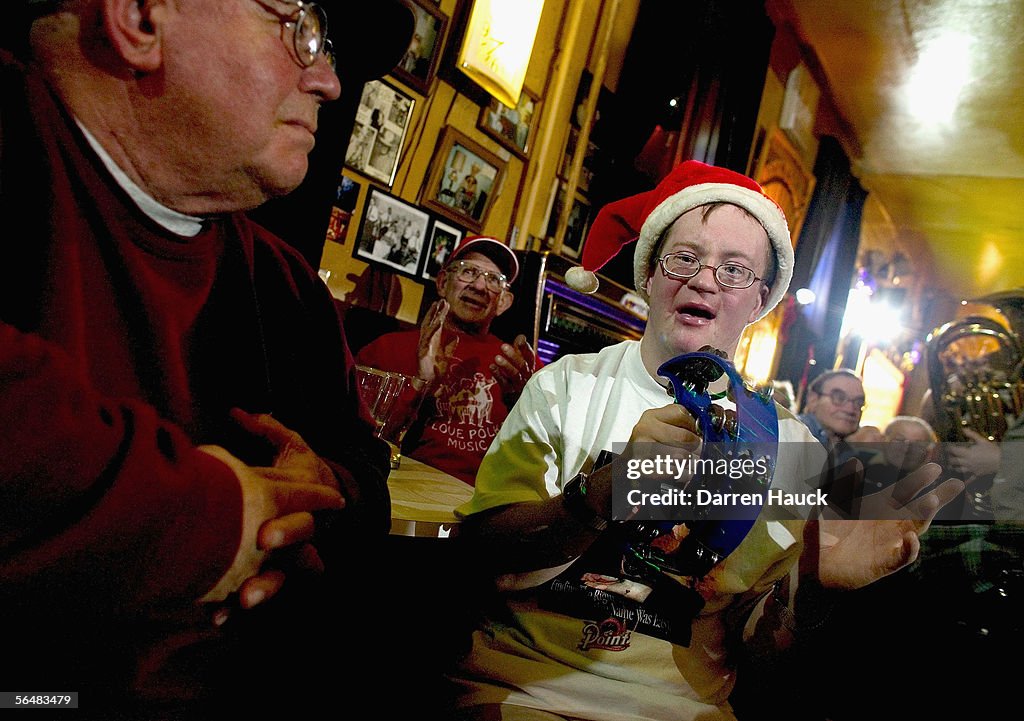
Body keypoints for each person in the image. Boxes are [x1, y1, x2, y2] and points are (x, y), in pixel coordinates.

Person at [0, 1, 410, 717]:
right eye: (301, 30)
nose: (330, 83)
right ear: (141, 18)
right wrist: (219, 515)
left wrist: (319, 497)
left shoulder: (285, 289)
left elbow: (362, 477)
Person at [444, 160, 963, 721]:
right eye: (685, 257)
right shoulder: (566, 386)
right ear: (649, 274)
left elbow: (763, 669)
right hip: (520, 692)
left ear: (760, 299)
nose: (704, 279)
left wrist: (814, 590)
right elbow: (476, 556)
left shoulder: (792, 449)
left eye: (735, 269)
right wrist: (599, 496)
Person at [356, 236, 536, 484]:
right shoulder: (385, 349)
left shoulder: (516, 367)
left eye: (494, 280)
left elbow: (536, 460)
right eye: (469, 271)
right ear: (442, 282)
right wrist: (421, 384)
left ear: (503, 302)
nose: (480, 286)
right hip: (395, 490)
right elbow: (356, 440)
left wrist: (522, 401)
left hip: (479, 505)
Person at [797, 368, 867, 470]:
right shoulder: (792, 434)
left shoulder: (848, 456)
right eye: (839, 398)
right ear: (813, 399)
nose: (850, 409)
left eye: (859, 402)